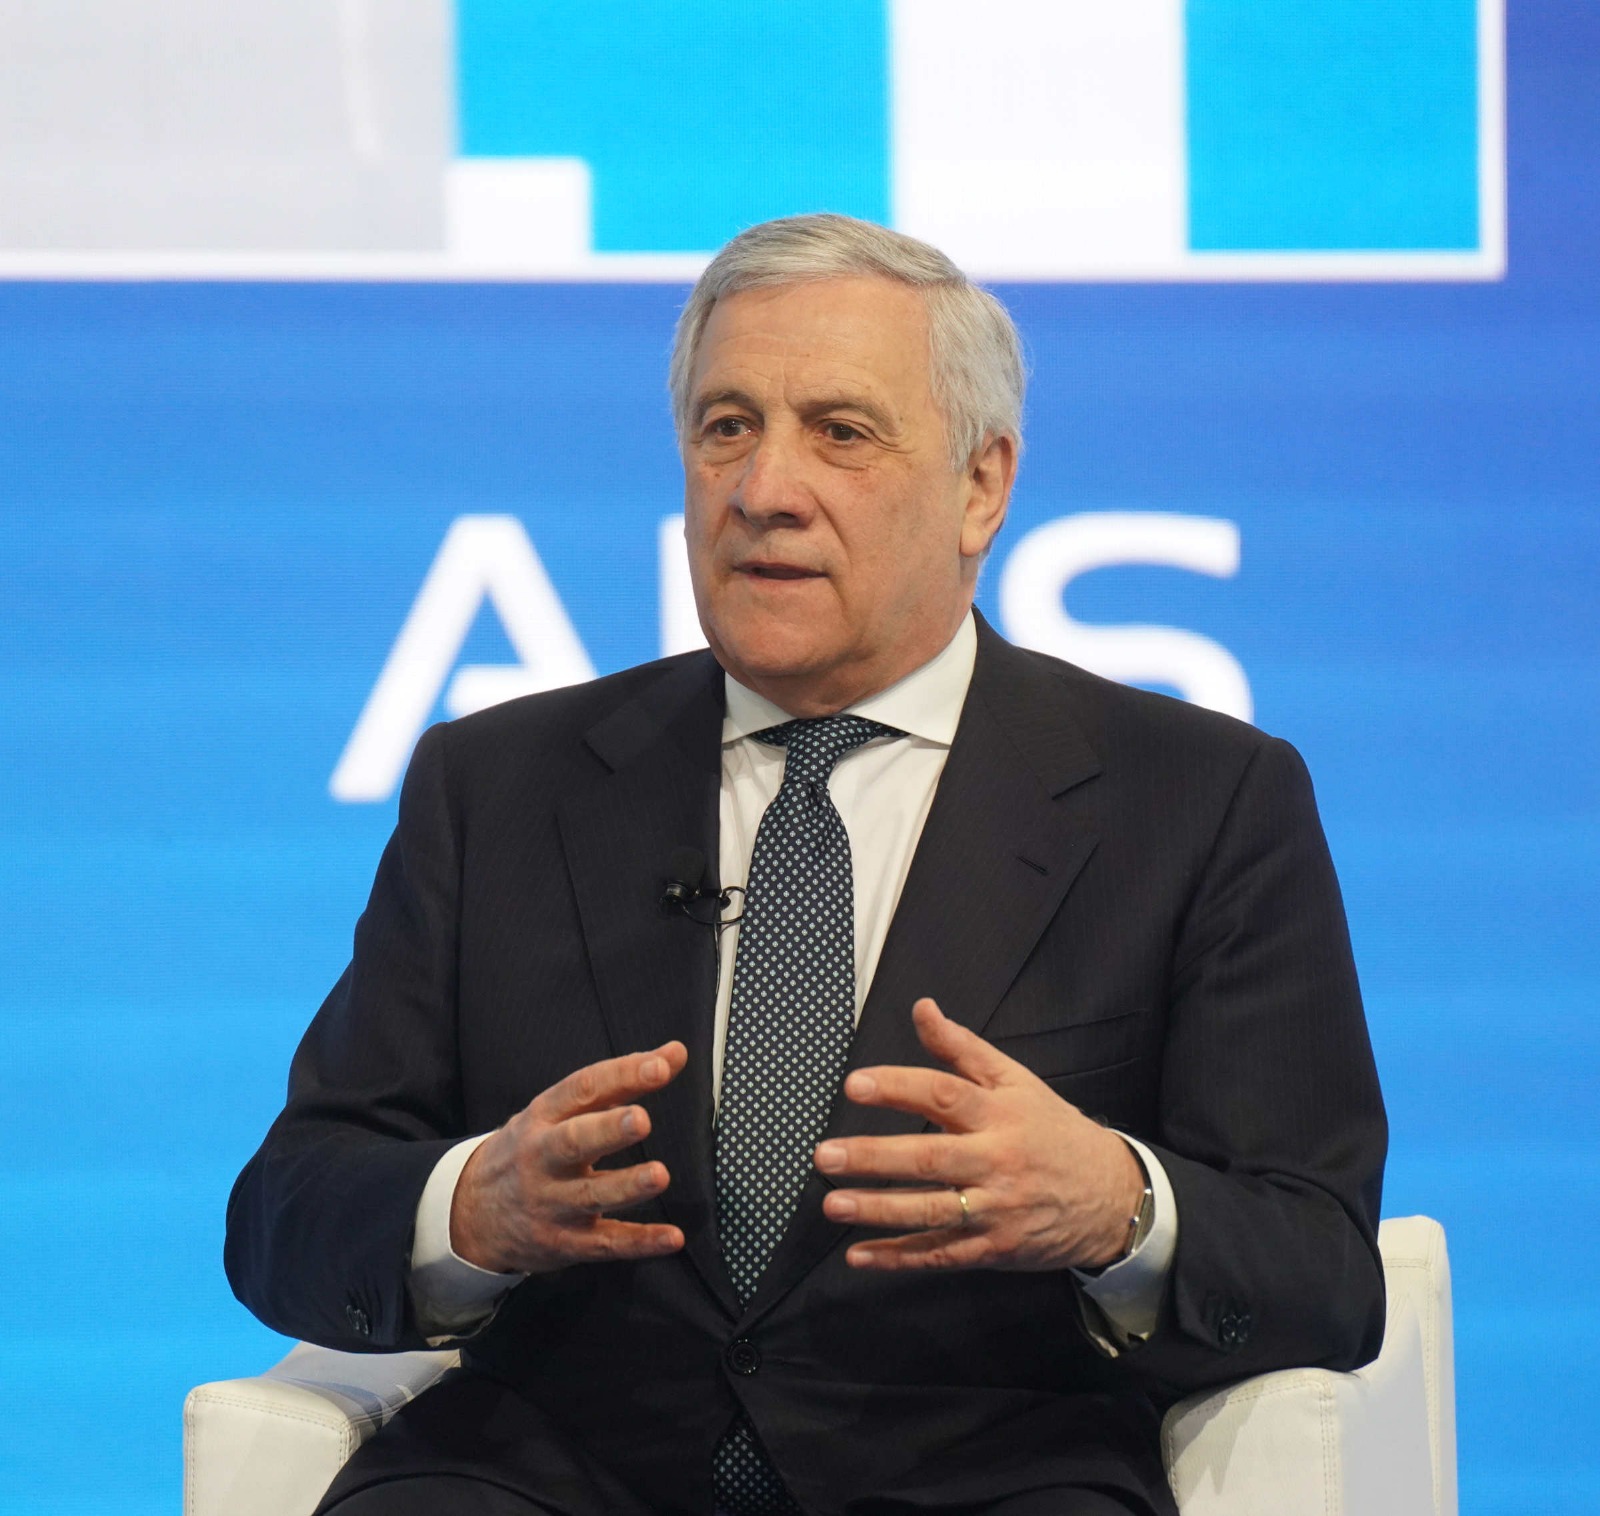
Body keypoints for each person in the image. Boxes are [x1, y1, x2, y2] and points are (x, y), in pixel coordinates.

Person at [226, 214, 1387, 1516]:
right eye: (727, 426)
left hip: (986, 1478)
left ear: (981, 486)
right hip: (549, 1478)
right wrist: (466, 1210)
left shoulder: (1199, 801)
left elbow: (1323, 1267)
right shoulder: (496, 785)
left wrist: (1116, 1204)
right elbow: (288, 1209)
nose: (764, 488)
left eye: (841, 431)